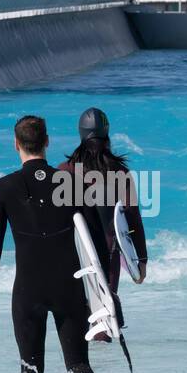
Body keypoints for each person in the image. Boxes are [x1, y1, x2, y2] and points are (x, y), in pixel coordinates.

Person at [0, 115, 97, 373]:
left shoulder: (3, 187)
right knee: (79, 365)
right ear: (47, 142)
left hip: (28, 290)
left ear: (16, 144)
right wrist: (103, 291)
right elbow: (95, 240)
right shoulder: (72, 183)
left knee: (31, 372)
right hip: (69, 288)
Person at [62, 107, 148, 297]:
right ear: (106, 132)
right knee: (107, 313)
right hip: (108, 257)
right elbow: (132, 218)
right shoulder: (119, 172)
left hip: (73, 257)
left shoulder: (64, 171)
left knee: (80, 318)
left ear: (81, 133)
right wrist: (141, 259)